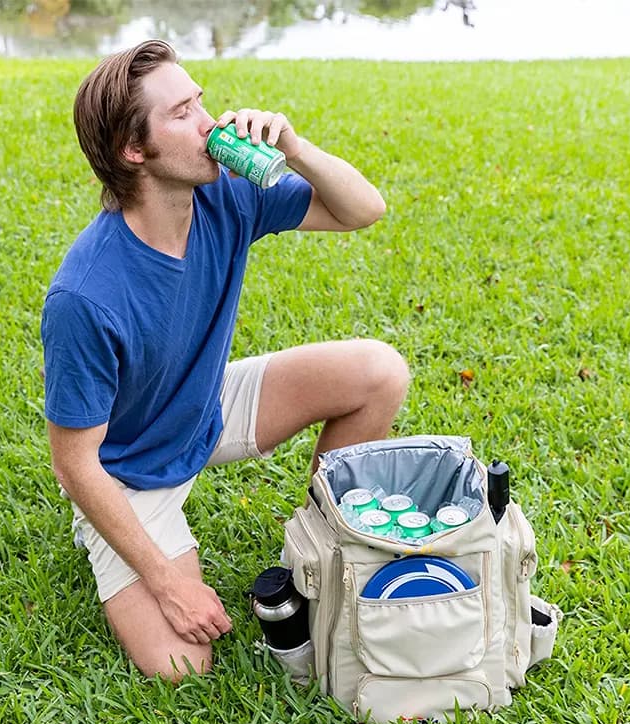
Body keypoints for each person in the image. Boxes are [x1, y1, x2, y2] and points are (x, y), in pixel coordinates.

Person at [40, 39, 410, 682]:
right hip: (128, 473)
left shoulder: (226, 196)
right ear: (135, 150)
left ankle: (318, 551)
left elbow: (363, 210)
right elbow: (75, 465)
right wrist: (164, 580)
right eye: (182, 113)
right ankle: (108, 538)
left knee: (379, 372)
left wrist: (293, 147)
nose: (211, 124)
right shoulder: (86, 296)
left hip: (204, 406)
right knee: (183, 664)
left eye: (201, 101)